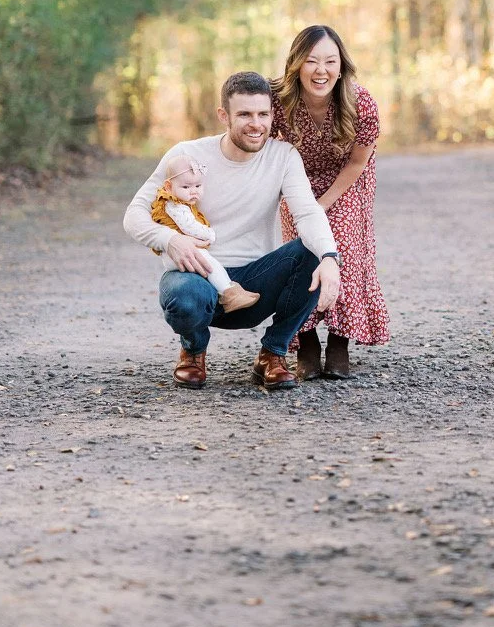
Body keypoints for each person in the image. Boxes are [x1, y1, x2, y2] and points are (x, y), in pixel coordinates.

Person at [124, 71, 341, 391]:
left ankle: (273, 353)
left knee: (312, 253)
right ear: (223, 116)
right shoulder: (186, 155)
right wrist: (170, 239)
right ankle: (193, 350)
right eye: (244, 114)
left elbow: (308, 213)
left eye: (263, 114)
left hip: (256, 287)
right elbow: (134, 215)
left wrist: (329, 257)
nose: (256, 124)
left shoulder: (283, 156)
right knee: (183, 295)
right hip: (198, 277)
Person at [270, 25, 390, 381]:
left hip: (347, 178)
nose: (320, 70)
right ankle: (305, 341)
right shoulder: (278, 100)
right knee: (302, 249)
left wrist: (323, 204)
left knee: (342, 245)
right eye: (311, 61)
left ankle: (340, 342)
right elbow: (262, 143)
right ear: (296, 65)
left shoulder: (361, 102)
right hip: (297, 179)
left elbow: (357, 162)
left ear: (341, 67)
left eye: (329, 61)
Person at [150, 154, 260, 313]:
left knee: (210, 262)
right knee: (209, 264)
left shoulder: (182, 203)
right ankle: (228, 294)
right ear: (168, 187)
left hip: (183, 251)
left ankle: (231, 289)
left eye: (197, 186)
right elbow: (189, 226)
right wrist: (209, 234)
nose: (193, 192)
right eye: (186, 187)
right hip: (177, 254)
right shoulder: (175, 205)